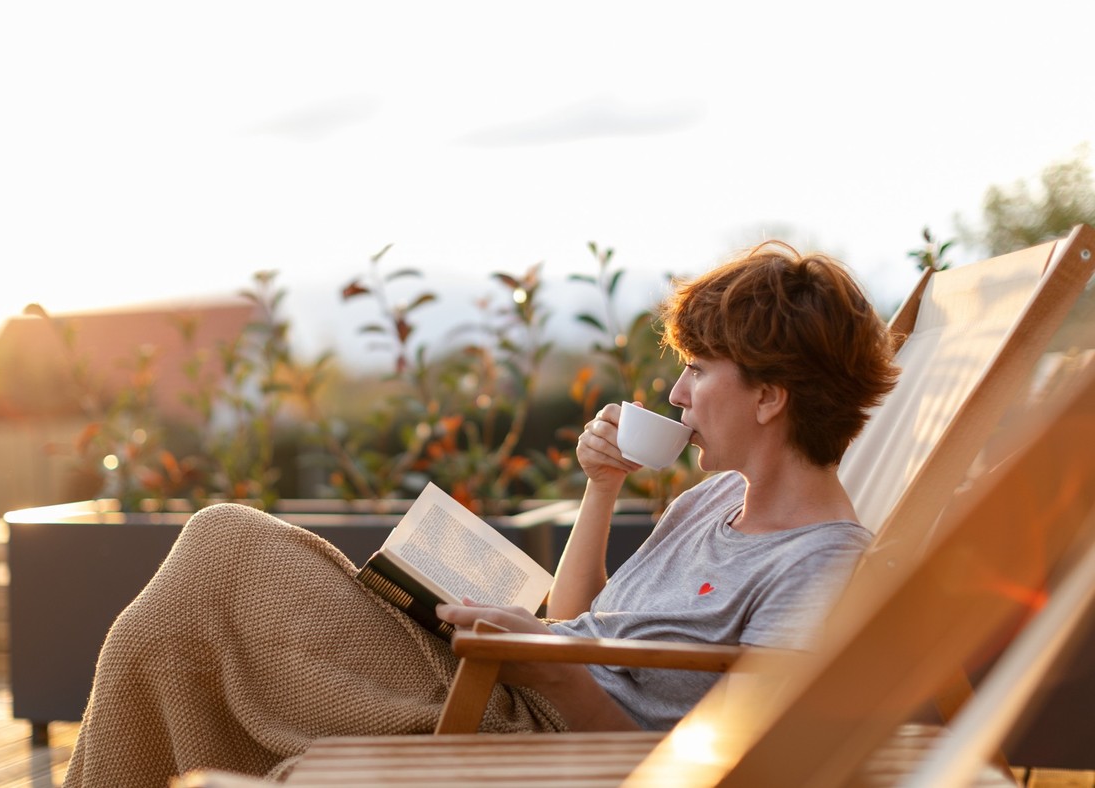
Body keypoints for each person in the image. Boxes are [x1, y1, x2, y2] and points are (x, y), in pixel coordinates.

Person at [62, 241, 898, 786]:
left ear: (772, 397)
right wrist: (599, 490)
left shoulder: (819, 565)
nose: (676, 394)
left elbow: (756, 766)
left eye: (700, 369)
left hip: (544, 736)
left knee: (217, 564)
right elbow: (580, 619)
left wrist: (554, 670)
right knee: (207, 574)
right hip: (521, 676)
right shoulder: (716, 498)